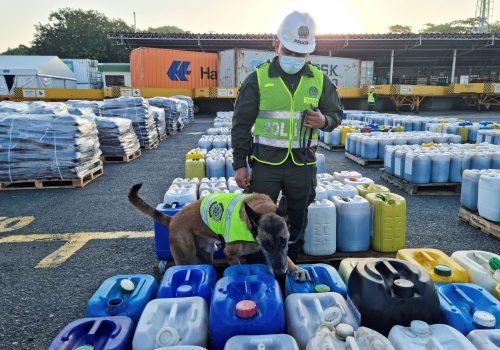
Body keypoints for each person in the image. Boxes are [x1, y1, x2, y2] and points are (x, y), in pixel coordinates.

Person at [231, 11, 343, 260]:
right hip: (265, 164)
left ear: (309, 52)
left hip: (302, 165)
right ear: (277, 44)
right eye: (289, 52)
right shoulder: (258, 79)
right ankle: (259, 261)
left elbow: (336, 114)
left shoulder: (320, 80)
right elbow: (241, 124)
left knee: (298, 214)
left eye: (300, 54)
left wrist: (324, 121)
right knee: (256, 217)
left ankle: (292, 257)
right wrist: (240, 164)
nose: (294, 58)